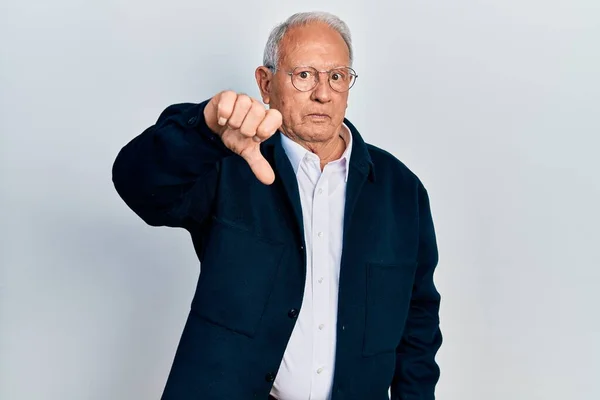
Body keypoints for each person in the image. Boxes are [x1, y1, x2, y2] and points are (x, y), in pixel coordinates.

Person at [112, 11, 442, 400]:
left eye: (337, 76)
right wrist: (203, 128)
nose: (323, 93)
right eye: (304, 75)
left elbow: (418, 323)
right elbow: (138, 185)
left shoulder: (400, 191)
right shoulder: (226, 168)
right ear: (265, 84)